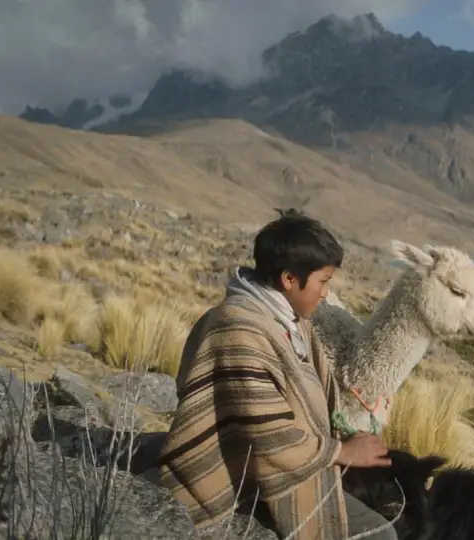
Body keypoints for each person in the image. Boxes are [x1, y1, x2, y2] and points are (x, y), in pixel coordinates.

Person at [156, 209, 397, 540]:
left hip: (286, 460)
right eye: (323, 281)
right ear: (289, 279)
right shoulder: (240, 330)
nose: (325, 293)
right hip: (241, 475)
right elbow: (269, 437)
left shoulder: (290, 323)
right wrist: (342, 452)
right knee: (381, 534)